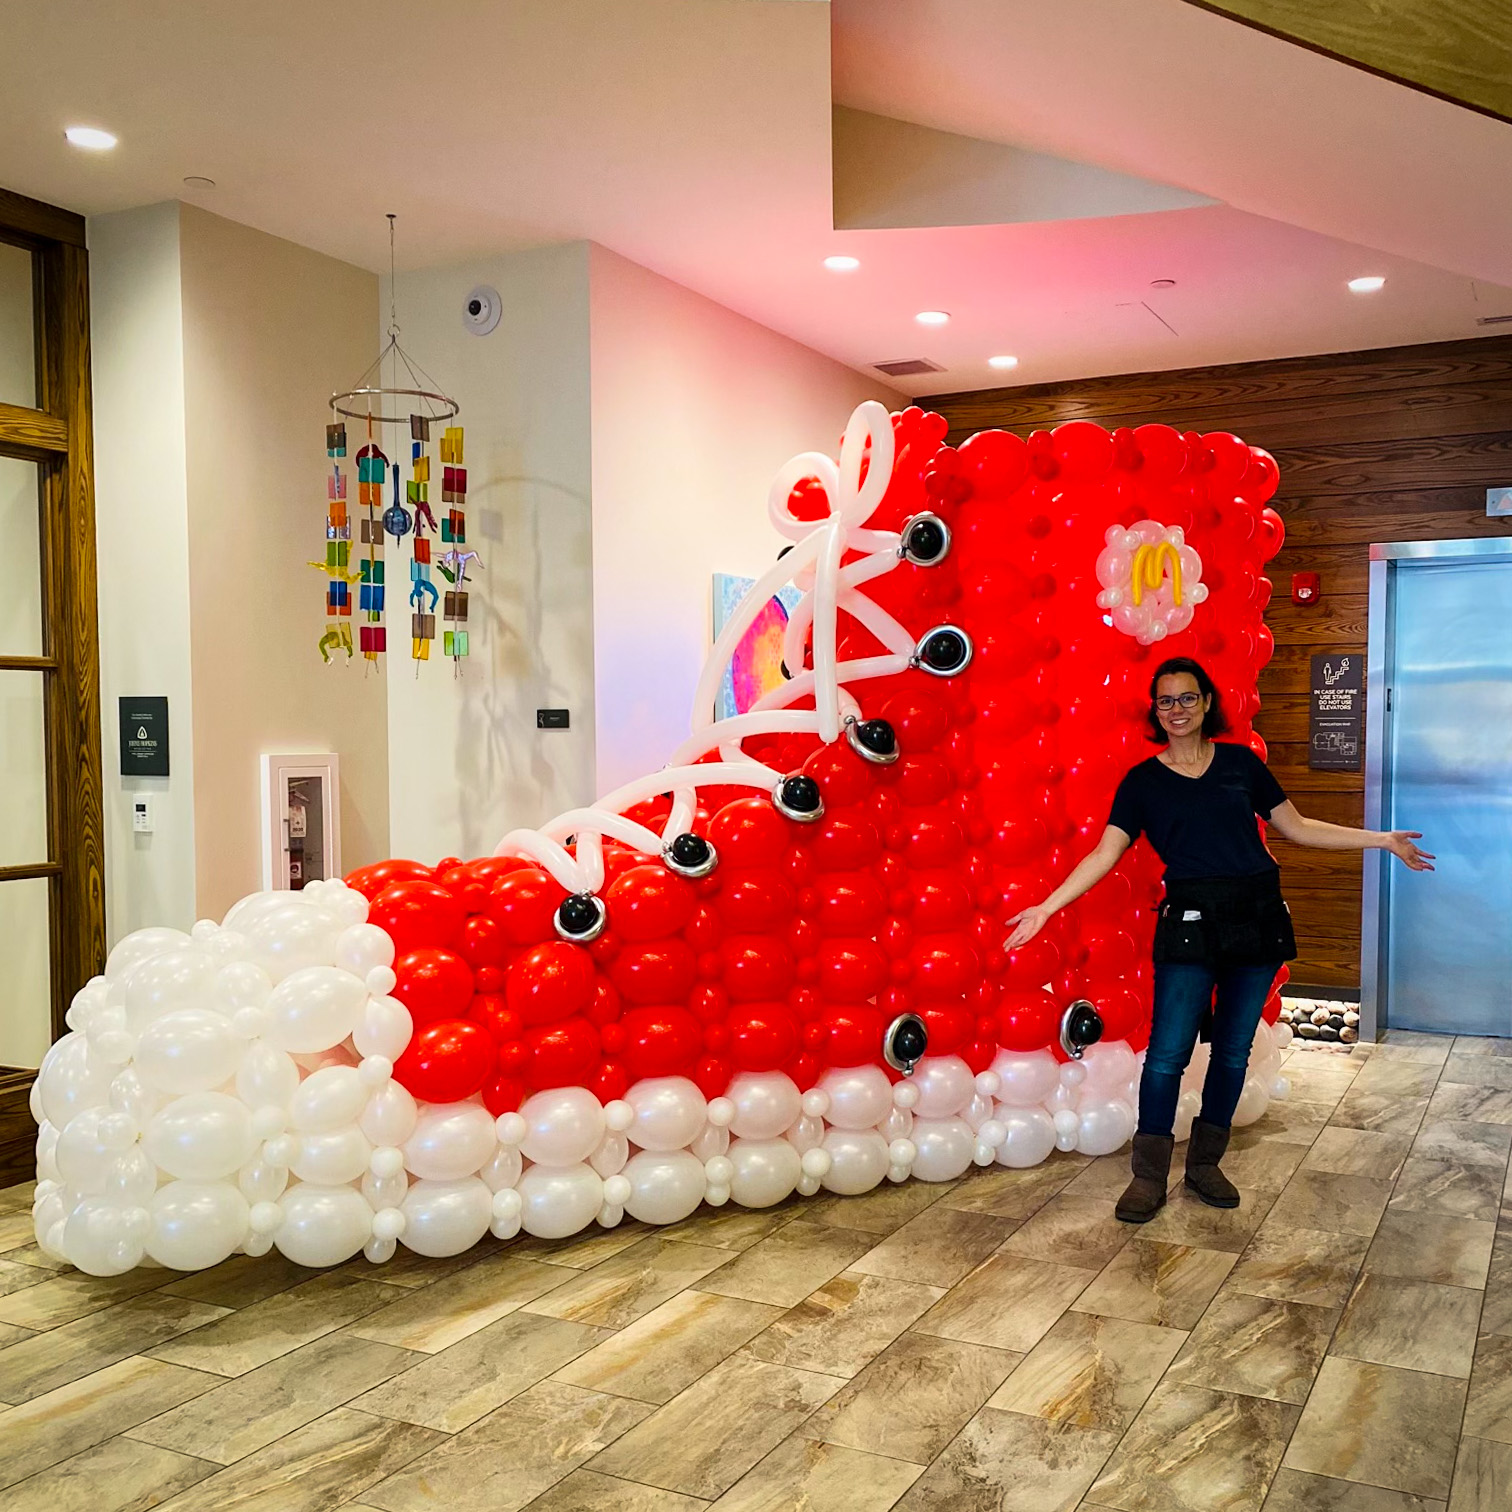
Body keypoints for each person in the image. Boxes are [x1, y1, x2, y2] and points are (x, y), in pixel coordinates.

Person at [1005, 656, 1433, 1223]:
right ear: (1155, 711)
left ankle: (1205, 1164)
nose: (1177, 709)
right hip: (1189, 924)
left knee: (1232, 1051)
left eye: (1187, 698)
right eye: (1166, 701)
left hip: (1257, 918)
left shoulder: (1240, 764)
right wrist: (1047, 906)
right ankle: (1148, 1175)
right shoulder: (1143, 782)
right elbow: (1106, 852)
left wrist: (1380, 840)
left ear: (1207, 703)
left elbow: (1297, 827)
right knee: (1167, 1055)